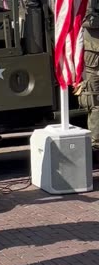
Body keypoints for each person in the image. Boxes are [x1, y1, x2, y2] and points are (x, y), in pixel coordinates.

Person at [77, 2, 99, 163]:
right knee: (94, 97)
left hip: (92, 42)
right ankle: (96, 144)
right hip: (93, 41)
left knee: (95, 97)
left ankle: (96, 144)